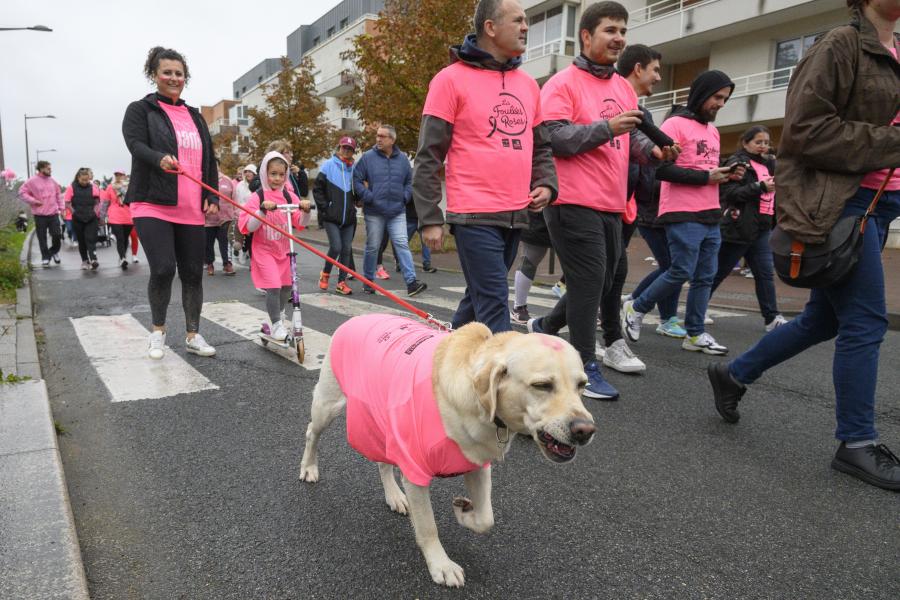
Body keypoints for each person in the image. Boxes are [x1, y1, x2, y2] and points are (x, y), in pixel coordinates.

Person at [709, 0, 900, 491]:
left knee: (824, 318)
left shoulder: (893, 50)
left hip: (880, 203)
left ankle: (734, 373)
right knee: (866, 321)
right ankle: (856, 442)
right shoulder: (840, 43)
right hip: (843, 203)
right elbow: (804, 132)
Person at [527, 2, 677, 396]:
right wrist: (605, 128)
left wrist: (653, 152)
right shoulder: (562, 84)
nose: (619, 38)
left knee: (602, 281)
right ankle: (582, 367)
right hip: (572, 201)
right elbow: (554, 138)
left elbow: (633, 137)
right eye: (610, 30)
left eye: (623, 30)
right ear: (587, 36)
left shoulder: (623, 87)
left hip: (613, 204)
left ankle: (544, 328)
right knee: (591, 279)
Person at [413, 0, 557, 333]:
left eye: (526, 21)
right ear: (490, 28)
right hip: (473, 216)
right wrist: (430, 218)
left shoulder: (528, 84)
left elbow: (542, 145)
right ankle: (507, 380)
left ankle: (440, 361)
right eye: (517, 20)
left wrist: (547, 183)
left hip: (517, 213)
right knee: (494, 305)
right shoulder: (449, 80)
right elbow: (428, 155)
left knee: (476, 299)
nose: (525, 27)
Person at [621, 69, 745, 355]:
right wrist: (706, 178)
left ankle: (695, 333)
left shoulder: (713, 131)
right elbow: (662, 170)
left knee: (705, 277)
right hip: (681, 211)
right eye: (717, 97)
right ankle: (636, 308)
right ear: (701, 94)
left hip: (711, 211)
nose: (721, 104)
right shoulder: (675, 124)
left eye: (725, 99)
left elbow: (706, 169)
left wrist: (727, 176)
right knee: (680, 270)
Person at [122, 46, 219, 359]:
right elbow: (135, 143)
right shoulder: (141, 110)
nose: (174, 78)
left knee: (193, 272)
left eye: (179, 73)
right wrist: (158, 158)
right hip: (153, 202)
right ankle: (158, 332)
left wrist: (212, 194)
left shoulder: (195, 117)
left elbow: (210, 159)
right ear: (155, 75)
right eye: (167, 72)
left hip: (191, 207)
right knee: (164, 268)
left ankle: (193, 334)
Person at [616, 44, 687, 340]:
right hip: (604, 200)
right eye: (655, 70)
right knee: (673, 266)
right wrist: (655, 154)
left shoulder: (643, 112)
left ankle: (623, 316)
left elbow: (647, 161)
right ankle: (630, 308)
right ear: (638, 69)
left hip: (632, 202)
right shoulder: (614, 101)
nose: (659, 77)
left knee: (612, 272)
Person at [710, 126, 787, 331]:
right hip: (739, 227)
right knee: (719, 272)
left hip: (762, 227)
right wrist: (759, 187)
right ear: (745, 143)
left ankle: (772, 317)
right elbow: (730, 193)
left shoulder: (770, 163)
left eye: (766, 142)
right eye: (758, 142)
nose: (763, 146)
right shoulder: (738, 162)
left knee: (765, 273)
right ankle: (696, 310)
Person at [238, 151, 312, 340]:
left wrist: (305, 210)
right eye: (273, 174)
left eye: (281, 174)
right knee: (273, 286)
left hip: (284, 250)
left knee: (286, 287)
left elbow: (300, 223)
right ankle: (277, 324)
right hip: (264, 251)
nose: (277, 178)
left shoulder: (289, 197)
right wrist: (262, 210)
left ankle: (276, 318)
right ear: (265, 173)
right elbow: (248, 226)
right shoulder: (257, 196)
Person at [354, 124, 427, 297]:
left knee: (402, 244)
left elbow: (410, 182)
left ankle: (411, 282)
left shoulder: (402, 159)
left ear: (392, 140)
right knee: (373, 247)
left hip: (397, 211)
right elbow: (356, 179)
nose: (378, 139)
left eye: (383, 136)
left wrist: (405, 197)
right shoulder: (367, 158)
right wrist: (368, 197)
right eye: (377, 135)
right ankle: (368, 282)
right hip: (374, 211)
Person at [314, 136, 358, 295]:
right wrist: (326, 208)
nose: (346, 151)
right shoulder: (328, 165)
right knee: (336, 247)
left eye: (350, 149)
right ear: (339, 148)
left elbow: (358, 190)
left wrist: (359, 201)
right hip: (331, 217)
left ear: (353, 152)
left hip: (349, 218)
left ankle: (341, 282)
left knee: (346, 249)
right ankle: (325, 274)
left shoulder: (355, 168)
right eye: (343, 147)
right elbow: (317, 190)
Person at [18, 160, 63, 267]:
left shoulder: (52, 181)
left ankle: (54, 251)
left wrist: (61, 208)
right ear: (41, 169)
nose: (50, 170)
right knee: (42, 237)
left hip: (53, 213)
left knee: (57, 235)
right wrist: (33, 201)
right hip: (40, 215)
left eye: (50, 168)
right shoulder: (31, 181)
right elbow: (21, 193)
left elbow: (58, 195)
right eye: (48, 168)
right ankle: (45, 257)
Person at [64, 168, 102, 270]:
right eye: (83, 180)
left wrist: (95, 212)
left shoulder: (93, 187)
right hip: (78, 218)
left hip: (91, 217)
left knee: (91, 238)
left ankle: (93, 259)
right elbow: (67, 203)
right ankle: (85, 261)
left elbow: (97, 202)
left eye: (87, 180)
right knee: (82, 241)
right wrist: (74, 212)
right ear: (78, 178)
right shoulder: (71, 188)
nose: (85, 182)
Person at [204, 172, 236, 276]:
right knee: (208, 244)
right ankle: (209, 264)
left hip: (225, 219)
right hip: (208, 219)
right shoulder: (204, 179)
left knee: (225, 242)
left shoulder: (227, 180)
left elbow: (234, 198)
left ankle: (227, 264)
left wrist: (235, 214)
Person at [105, 169, 137, 269]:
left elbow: (134, 199)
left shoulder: (130, 187)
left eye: (121, 175)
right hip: (115, 215)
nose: (119, 177)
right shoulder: (110, 187)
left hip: (128, 215)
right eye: (117, 175)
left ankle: (123, 255)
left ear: (124, 176)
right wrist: (102, 216)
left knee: (125, 237)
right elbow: (105, 202)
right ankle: (122, 258)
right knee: (120, 237)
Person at [232, 164, 256, 264]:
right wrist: (237, 212)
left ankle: (252, 259)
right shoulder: (240, 185)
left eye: (250, 171)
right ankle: (242, 250)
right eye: (246, 171)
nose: (247, 173)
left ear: (255, 173)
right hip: (242, 215)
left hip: (255, 215)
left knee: (252, 239)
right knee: (242, 236)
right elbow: (236, 200)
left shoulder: (258, 185)